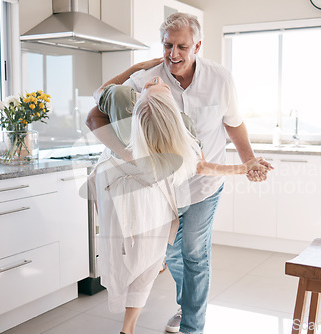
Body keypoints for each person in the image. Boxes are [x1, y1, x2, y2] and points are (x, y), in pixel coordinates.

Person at [86, 69, 270, 334]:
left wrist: (244, 167)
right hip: (135, 198)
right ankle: (131, 319)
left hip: (141, 198)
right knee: (146, 262)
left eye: (154, 85)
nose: (155, 79)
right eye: (155, 86)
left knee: (147, 262)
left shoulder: (159, 117)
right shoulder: (146, 111)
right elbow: (202, 166)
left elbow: (95, 107)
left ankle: (131, 327)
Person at [123, 13, 272, 334]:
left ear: (198, 46)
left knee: (194, 253)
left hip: (204, 184)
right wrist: (135, 68)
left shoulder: (220, 79)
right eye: (167, 45)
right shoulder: (148, 80)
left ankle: (192, 326)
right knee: (172, 253)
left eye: (182, 46)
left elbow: (233, 123)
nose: (173, 54)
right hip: (164, 189)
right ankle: (186, 303)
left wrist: (249, 162)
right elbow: (104, 102)